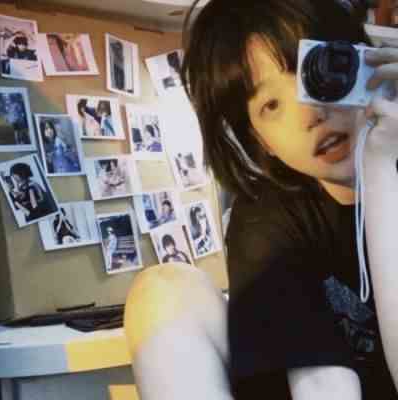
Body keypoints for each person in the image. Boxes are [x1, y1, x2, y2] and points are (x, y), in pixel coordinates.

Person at [124, 0, 398, 399]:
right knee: (161, 288)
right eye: (271, 105)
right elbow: (321, 386)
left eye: (315, 73)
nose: (309, 114)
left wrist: (381, 166)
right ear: (262, 141)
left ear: (364, 59)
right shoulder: (267, 218)